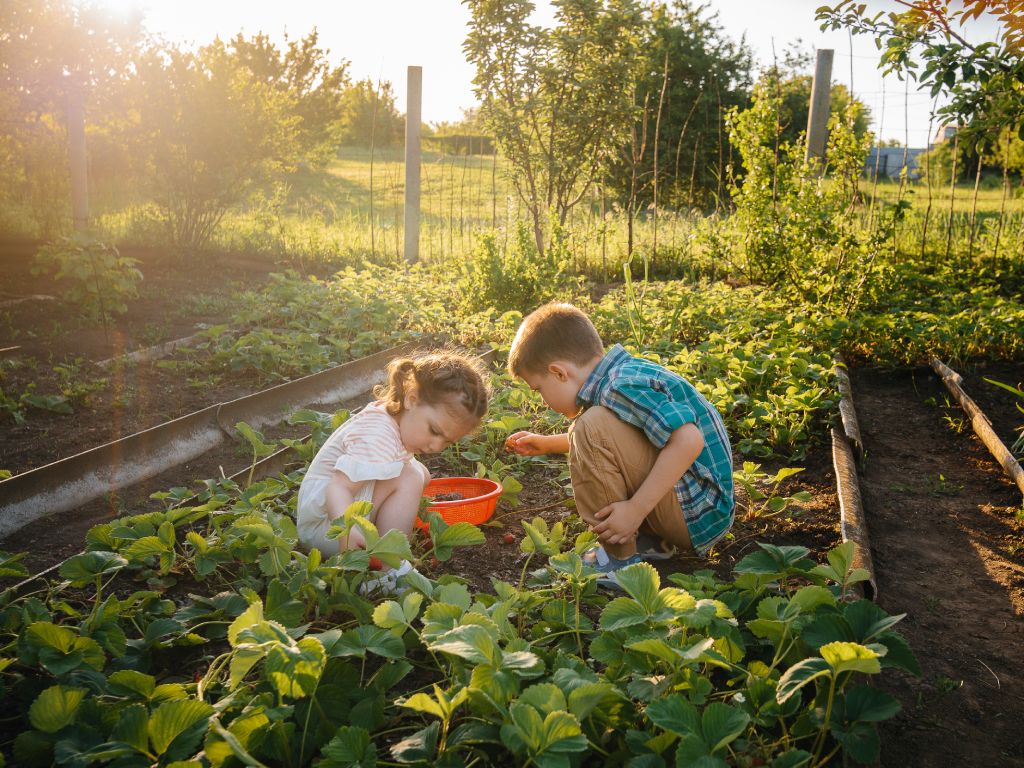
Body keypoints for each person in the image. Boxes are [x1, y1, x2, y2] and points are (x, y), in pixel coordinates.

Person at [504, 302, 733, 587]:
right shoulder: (620, 376)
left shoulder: (619, 386)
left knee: (590, 424)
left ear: (559, 372)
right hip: (697, 505)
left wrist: (635, 510)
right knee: (591, 425)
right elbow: (628, 442)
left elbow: (688, 440)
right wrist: (548, 444)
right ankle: (650, 542)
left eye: (538, 389)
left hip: (697, 510)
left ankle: (619, 559)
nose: (542, 400)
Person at [297, 350, 490, 591]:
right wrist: (349, 532)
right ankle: (387, 572)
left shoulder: (396, 420)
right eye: (435, 431)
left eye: (448, 442)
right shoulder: (377, 433)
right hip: (327, 528)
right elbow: (338, 487)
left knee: (419, 472)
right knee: (410, 476)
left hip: (333, 517)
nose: (436, 446)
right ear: (412, 398)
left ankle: (387, 544)